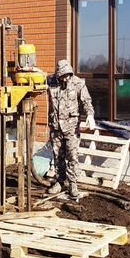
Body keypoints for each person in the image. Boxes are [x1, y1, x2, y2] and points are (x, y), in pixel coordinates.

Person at [47, 59, 96, 199]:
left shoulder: (78, 83)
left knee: (72, 157)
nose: (65, 78)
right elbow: (36, 80)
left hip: (71, 128)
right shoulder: (51, 82)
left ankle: (73, 184)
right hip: (56, 127)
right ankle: (60, 182)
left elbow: (87, 101)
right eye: (62, 75)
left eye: (67, 74)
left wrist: (90, 115)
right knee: (58, 156)